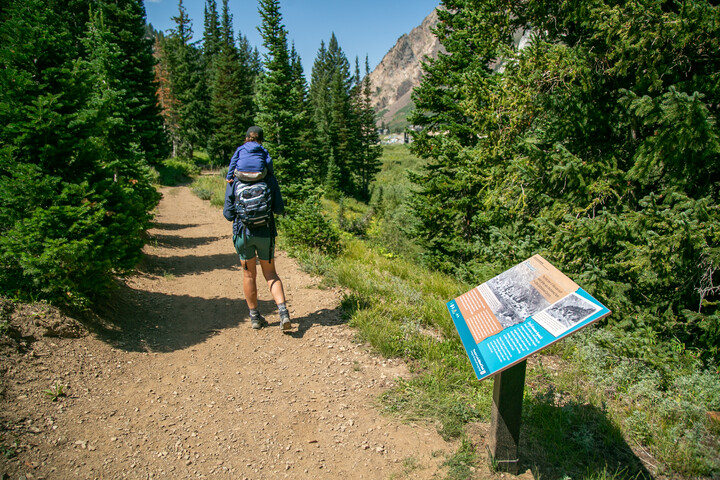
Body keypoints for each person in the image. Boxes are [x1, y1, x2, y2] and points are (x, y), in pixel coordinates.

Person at [223, 126, 291, 331]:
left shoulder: (234, 178)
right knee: (271, 274)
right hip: (265, 232)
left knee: (248, 275)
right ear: (262, 142)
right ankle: (283, 314)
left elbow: (228, 214)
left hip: (242, 232)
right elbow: (278, 208)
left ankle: (254, 317)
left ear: (245, 140)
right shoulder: (268, 177)